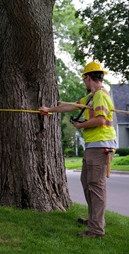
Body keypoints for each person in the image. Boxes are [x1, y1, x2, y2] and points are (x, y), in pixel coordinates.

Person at [39, 61, 117, 238]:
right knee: (87, 182)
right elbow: (72, 106)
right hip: (94, 146)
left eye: (84, 79)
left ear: (88, 77)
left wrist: (81, 125)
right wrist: (49, 110)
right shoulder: (92, 97)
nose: (84, 83)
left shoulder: (100, 96)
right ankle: (94, 220)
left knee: (96, 186)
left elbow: (101, 120)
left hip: (101, 145)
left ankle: (96, 230)